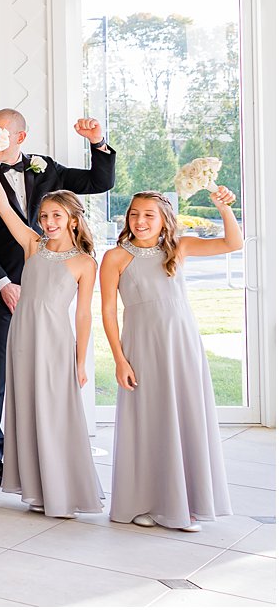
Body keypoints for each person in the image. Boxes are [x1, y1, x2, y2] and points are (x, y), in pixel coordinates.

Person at [0, 109, 115, 487]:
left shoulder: (47, 169)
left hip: (47, 288)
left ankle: (47, 454)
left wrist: (97, 142)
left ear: (20, 138)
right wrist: (3, 284)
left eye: (0, 134)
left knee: (44, 377)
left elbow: (100, 181)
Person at [102, 187, 240, 532]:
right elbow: (107, 311)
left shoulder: (179, 247)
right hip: (142, 348)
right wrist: (120, 359)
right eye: (134, 213)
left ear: (164, 220)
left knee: (184, 417)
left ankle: (185, 504)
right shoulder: (116, 257)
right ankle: (146, 502)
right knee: (149, 421)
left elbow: (232, 244)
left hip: (181, 344)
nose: (140, 220)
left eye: (149, 215)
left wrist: (224, 209)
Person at [0, 157, 102, 517]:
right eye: (44, 216)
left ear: (73, 220)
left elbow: (82, 314)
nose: (47, 223)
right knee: (28, 409)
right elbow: (2, 206)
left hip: (54, 341)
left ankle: (64, 491)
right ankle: (37, 488)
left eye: (56, 217)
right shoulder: (33, 245)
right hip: (23, 336)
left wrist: (80, 363)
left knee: (55, 412)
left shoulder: (84, 262)